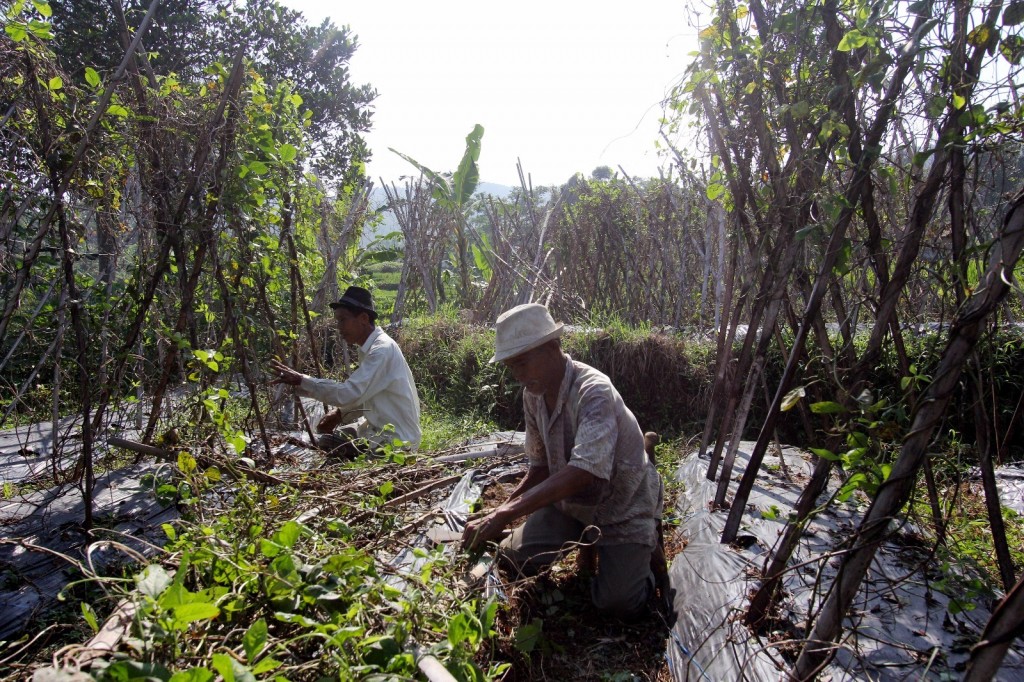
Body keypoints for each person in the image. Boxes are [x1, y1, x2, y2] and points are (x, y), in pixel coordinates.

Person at [461, 303, 663, 619]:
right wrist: (501, 512)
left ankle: (643, 569)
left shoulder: (593, 390)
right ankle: (584, 543)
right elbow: (540, 467)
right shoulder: (533, 395)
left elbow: (583, 471)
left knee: (618, 604)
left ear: (553, 347)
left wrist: (505, 513)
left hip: (621, 505)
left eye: (523, 362)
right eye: (512, 366)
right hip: (571, 505)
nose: (519, 374)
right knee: (514, 558)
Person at [270, 286, 421, 456]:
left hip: (397, 441)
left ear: (363, 318)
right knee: (329, 439)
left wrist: (302, 380)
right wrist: (339, 414)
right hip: (378, 431)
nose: (339, 327)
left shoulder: (381, 350)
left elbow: (349, 393)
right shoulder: (371, 348)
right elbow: (365, 393)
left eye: (342, 320)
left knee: (328, 446)